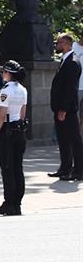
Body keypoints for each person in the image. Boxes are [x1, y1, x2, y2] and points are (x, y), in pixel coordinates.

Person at [0, 60, 29, 215]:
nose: (2, 74)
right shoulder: (22, 90)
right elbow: (22, 113)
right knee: (17, 167)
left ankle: (9, 203)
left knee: (7, 168)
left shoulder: (6, 91)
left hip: (7, 130)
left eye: (3, 72)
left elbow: (1, 115)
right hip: (19, 130)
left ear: (8, 73)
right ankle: (17, 203)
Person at [49, 34, 82, 181]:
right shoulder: (65, 60)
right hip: (60, 108)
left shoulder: (73, 62)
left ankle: (79, 170)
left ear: (68, 44)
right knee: (63, 139)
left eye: (60, 42)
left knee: (74, 139)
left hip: (67, 109)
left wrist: (63, 109)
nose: (57, 44)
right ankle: (65, 168)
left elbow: (69, 89)